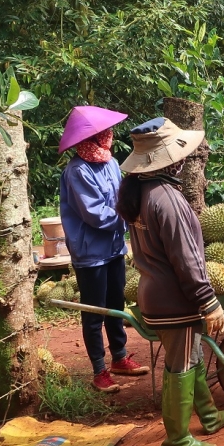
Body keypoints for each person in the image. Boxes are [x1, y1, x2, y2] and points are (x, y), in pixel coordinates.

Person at [116, 118, 224, 446]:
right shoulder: (167, 199)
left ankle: (209, 416)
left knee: (191, 356)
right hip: (174, 300)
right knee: (179, 364)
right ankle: (177, 439)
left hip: (154, 294)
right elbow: (187, 258)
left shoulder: (141, 192)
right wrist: (208, 300)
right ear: (170, 159)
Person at [58, 105, 149, 394]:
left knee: (115, 304)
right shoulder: (77, 171)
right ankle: (99, 370)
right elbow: (95, 213)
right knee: (94, 311)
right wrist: (129, 217)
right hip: (90, 253)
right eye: (105, 132)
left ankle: (120, 358)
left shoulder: (110, 162)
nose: (110, 136)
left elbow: (122, 197)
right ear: (93, 137)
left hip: (114, 247)